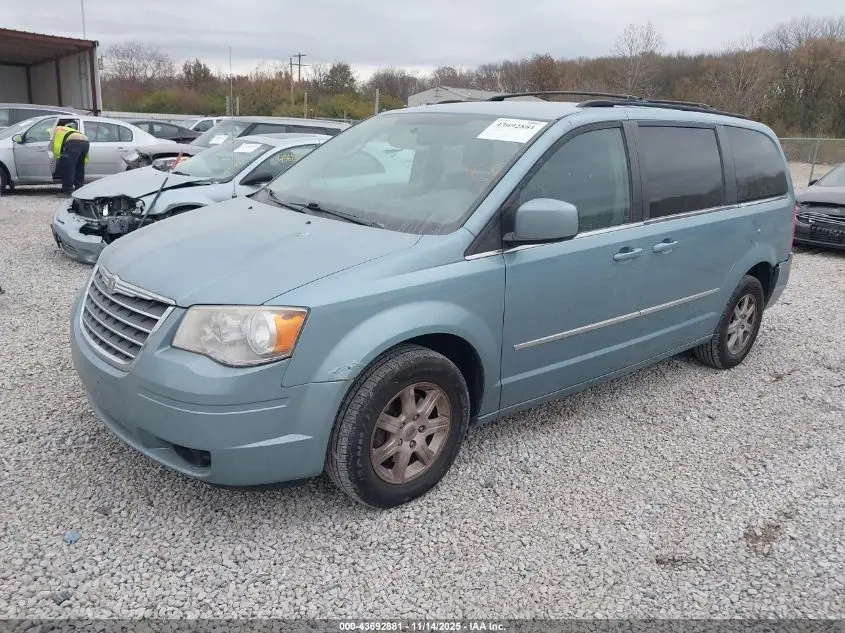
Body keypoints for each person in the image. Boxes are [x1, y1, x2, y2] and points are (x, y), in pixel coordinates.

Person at [52, 123, 90, 195]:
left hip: (74, 142)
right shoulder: (68, 129)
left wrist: (58, 156)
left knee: (68, 167)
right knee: (79, 167)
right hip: (85, 142)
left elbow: (57, 144)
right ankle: (80, 189)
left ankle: (67, 190)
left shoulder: (56, 130)